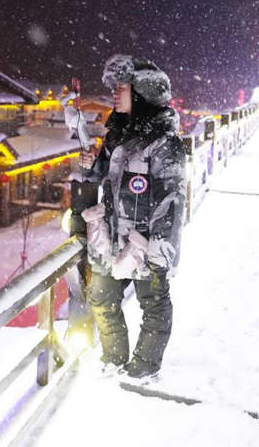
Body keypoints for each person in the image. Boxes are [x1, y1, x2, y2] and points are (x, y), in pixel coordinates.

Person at [79, 54, 187, 379]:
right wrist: (92, 166)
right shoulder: (117, 135)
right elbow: (111, 179)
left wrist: (159, 250)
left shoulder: (164, 143)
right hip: (112, 237)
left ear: (142, 93)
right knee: (100, 296)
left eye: (122, 87)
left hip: (144, 242)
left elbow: (171, 199)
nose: (115, 93)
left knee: (153, 305)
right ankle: (114, 358)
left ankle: (145, 366)